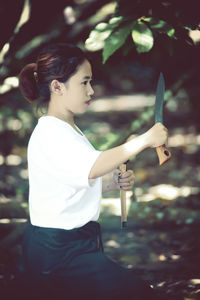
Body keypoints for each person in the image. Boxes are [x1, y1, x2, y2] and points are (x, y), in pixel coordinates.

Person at [18, 43, 168, 300]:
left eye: (91, 82)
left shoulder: (66, 129)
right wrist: (143, 141)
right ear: (57, 87)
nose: (91, 90)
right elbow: (92, 166)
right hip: (59, 253)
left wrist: (111, 182)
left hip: (71, 245)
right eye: (84, 83)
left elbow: (70, 180)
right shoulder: (51, 133)